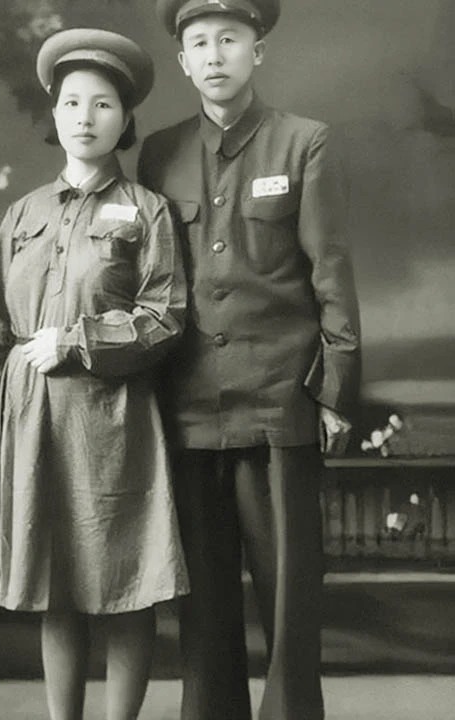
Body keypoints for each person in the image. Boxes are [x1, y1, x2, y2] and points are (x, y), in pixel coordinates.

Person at [138, 2, 361, 719]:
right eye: (199, 43)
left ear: (256, 51)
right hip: (189, 405)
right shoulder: (160, 153)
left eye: (229, 39)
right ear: (182, 61)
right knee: (201, 606)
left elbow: (330, 270)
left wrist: (334, 391)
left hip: (279, 399)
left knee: (290, 598)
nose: (214, 55)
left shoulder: (303, 142)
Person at [0, 28, 189, 720]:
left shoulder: (147, 211)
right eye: (71, 103)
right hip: (33, 418)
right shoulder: (23, 214)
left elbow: (165, 317)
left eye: (102, 104)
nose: (85, 117)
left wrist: (76, 340)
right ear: (54, 114)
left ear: (125, 119)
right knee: (52, 584)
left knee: (124, 583)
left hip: (113, 421)